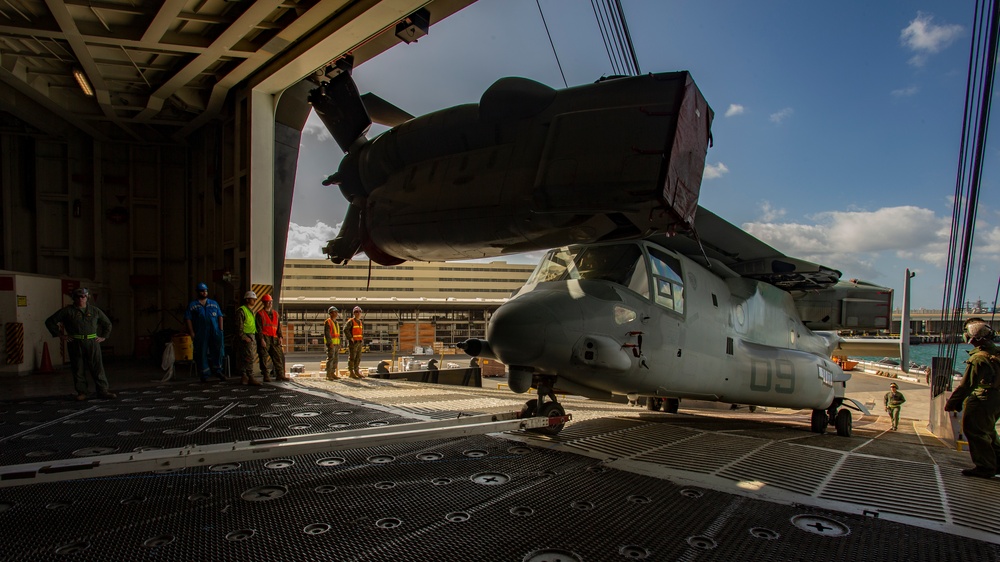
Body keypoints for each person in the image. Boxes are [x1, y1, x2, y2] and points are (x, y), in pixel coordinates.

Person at [945, 318, 1000, 478]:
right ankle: (997, 463)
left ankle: (985, 467)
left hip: (983, 398)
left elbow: (966, 385)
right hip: (996, 398)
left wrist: (953, 403)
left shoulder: (978, 359)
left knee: (974, 430)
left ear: (972, 339)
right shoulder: (995, 353)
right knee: (988, 431)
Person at [44, 287, 116, 401]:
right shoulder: (68, 311)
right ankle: (82, 392)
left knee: (97, 367)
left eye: (84, 296)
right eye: (79, 296)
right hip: (75, 342)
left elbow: (107, 324)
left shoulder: (94, 311)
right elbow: (50, 321)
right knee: (78, 368)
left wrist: (104, 337)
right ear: (74, 298)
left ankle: (103, 390)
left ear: (87, 298)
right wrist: (60, 335)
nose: (82, 299)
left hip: (92, 342)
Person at [185, 282, 226, 382]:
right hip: (201, 332)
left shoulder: (214, 303)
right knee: (201, 352)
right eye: (202, 291)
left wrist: (220, 330)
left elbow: (220, 316)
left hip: (215, 331)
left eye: (206, 291)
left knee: (217, 351)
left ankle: (218, 370)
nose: (204, 292)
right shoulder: (193, 305)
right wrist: (192, 332)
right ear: (198, 292)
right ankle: (204, 373)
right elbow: (188, 319)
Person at [255, 294, 286, 382]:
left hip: (274, 338)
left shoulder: (275, 314)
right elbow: (259, 328)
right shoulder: (260, 314)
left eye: (271, 302)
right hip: (265, 338)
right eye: (268, 302)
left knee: (278, 356)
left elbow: (278, 326)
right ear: (264, 303)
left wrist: (280, 336)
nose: (270, 303)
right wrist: (261, 339)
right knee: (263, 357)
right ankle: (266, 375)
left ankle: (280, 375)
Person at [236, 291, 260, 386]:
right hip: (246, 336)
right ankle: (249, 376)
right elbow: (239, 325)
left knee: (247, 357)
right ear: (247, 299)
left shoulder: (250, 311)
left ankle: (245, 377)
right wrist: (243, 336)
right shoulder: (242, 310)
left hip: (251, 336)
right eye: (252, 299)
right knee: (248, 357)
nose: (254, 301)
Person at [345, 305, 366, 379]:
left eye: (359, 312)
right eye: (356, 312)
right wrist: (350, 338)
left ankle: (356, 371)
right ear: (354, 313)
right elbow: (345, 329)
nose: (358, 313)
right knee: (352, 357)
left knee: (358, 357)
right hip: (353, 343)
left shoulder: (360, 322)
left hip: (359, 342)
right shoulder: (351, 321)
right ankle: (351, 372)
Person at [323, 306, 341, 380]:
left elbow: (337, 334)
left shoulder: (336, 323)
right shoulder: (328, 322)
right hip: (331, 344)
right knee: (330, 358)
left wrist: (339, 343)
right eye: (335, 312)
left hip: (336, 344)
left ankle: (332, 373)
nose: (336, 313)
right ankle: (328, 374)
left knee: (335, 359)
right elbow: (327, 333)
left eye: (336, 312)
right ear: (331, 313)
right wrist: (330, 343)